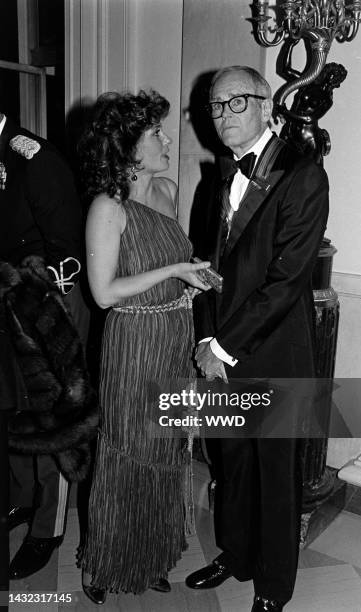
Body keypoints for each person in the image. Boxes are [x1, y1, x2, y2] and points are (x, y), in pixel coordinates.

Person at [185, 66, 329, 612]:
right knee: (233, 464)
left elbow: (287, 280)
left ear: (267, 106)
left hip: (274, 354)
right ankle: (235, 555)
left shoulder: (303, 175)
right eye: (214, 106)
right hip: (221, 354)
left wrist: (220, 347)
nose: (222, 116)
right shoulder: (214, 179)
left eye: (234, 103)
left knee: (275, 476)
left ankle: (272, 588)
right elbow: (207, 270)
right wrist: (205, 339)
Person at [78, 90, 210, 604]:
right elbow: (105, 293)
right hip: (133, 343)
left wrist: (191, 274)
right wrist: (175, 270)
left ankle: (149, 555)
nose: (166, 138)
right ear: (127, 147)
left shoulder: (169, 190)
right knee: (127, 450)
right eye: (155, 132)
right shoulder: (107, 207)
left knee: (167, 450)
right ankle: (105, 562)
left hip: (174, 336)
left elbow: (171, 257)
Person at [0, 111, 90, 580]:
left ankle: (46, 527)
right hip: (8, 304)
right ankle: (22, 498)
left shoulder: (33, 157)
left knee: (50, 416)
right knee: (13, 408)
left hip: (44, 306)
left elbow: (67, 250)